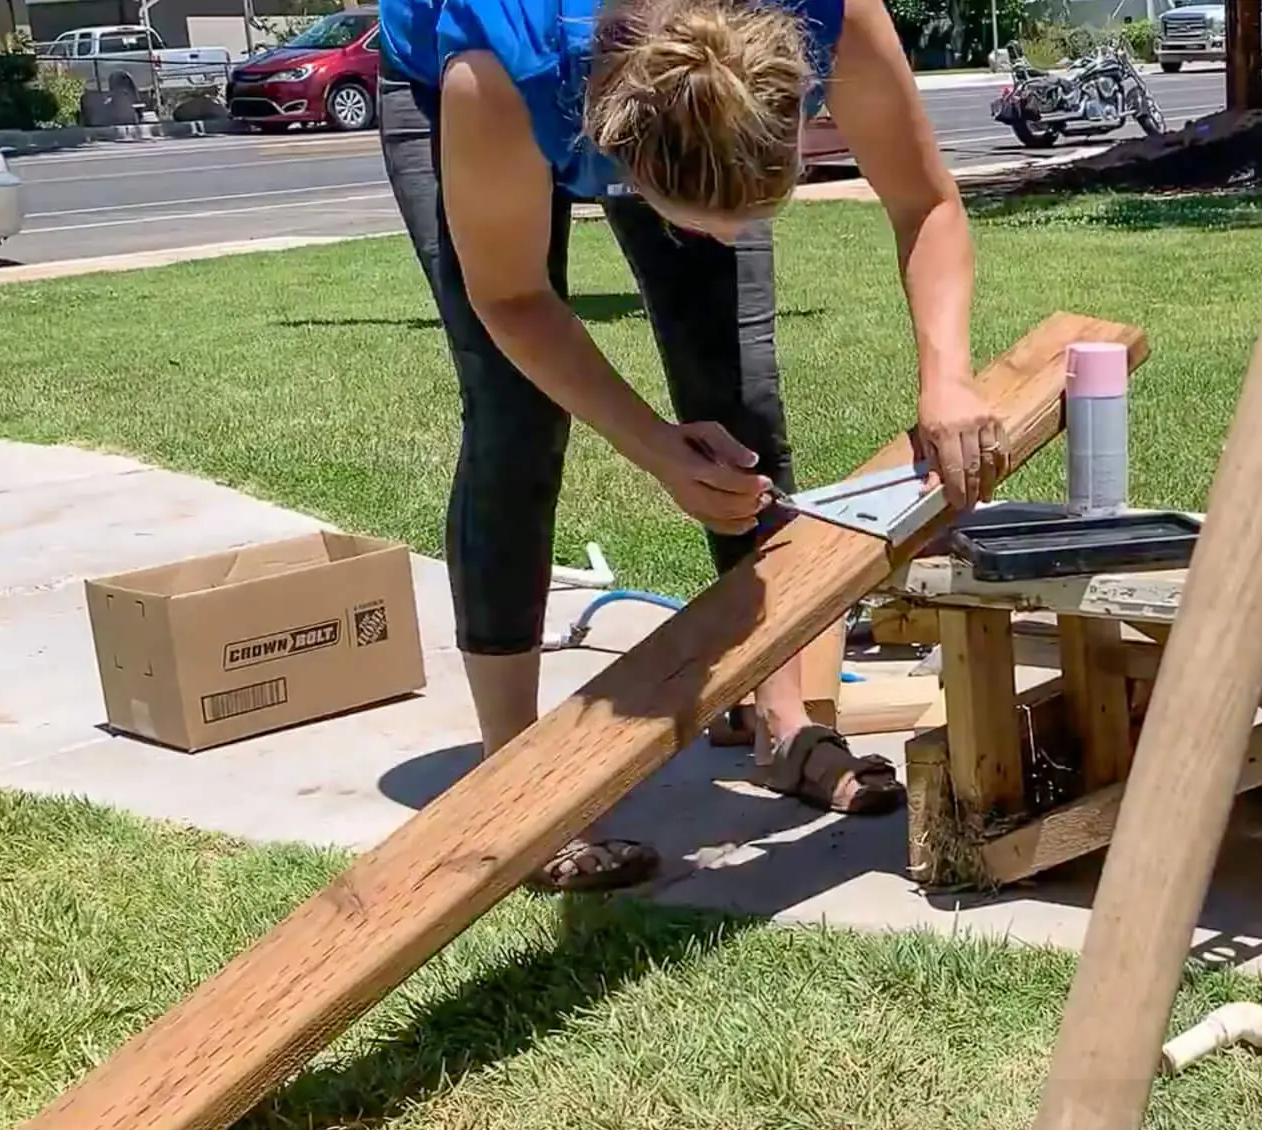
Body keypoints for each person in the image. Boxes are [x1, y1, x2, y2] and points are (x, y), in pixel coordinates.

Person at [375, 0, 1003, 893]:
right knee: (515, 416)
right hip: (453, 75)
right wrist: (655, 449)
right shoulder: (500, 69)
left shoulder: (832, 13)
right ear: (619, 156)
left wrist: (948, 374)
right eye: (700, 218)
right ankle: (510, 775)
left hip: (640, 78)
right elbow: (511, 298)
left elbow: (925, 199)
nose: (726, 240)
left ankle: (781, 722)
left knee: (736, 392)